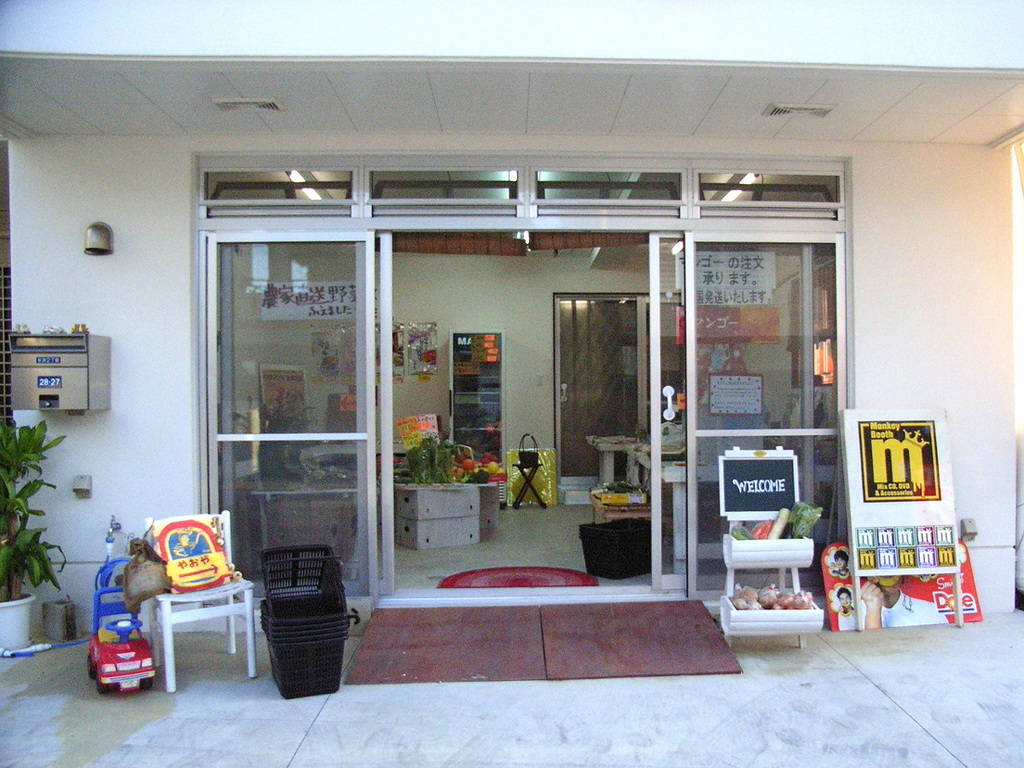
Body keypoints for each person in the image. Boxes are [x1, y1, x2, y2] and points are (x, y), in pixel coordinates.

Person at [859, 576, 945, 629]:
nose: (887, 575)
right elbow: (872, 650)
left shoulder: (930, 612)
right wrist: (873, 610)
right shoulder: (853, 615)